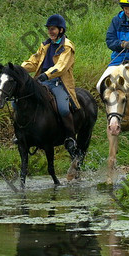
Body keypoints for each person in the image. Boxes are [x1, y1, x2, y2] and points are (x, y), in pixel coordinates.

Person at [20, 14, 81, 157]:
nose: (50, 32)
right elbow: (34, 61)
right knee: (22, 100)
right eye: (49, 29)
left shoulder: (67, 46)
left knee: (63, 108)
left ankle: (71, 138)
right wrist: (20, 68)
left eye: (53, 29)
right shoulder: (45, 44)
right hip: (42, 81)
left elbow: (61, 66)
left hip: (59, 82)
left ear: (60, 30)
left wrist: (46, 75)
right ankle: (23, 135)